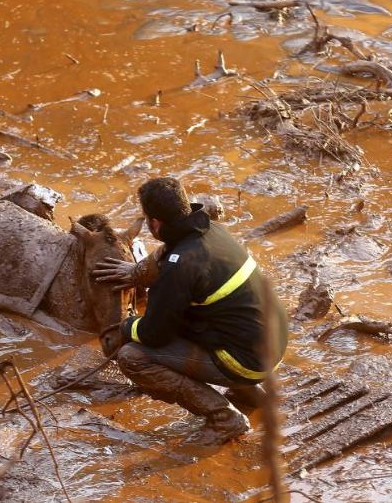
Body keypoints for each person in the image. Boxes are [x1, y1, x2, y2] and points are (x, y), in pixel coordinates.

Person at [93, 177, 288, 445]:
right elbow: (165, 254)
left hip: (245, 361)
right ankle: (251, 394)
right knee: (208, 318)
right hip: (271, 346)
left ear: (155, 223)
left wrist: (125, 326)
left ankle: (224, 417)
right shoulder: (211, 231)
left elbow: (154, 334)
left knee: (132, 356)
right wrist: (136, 272)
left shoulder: (179, 267)